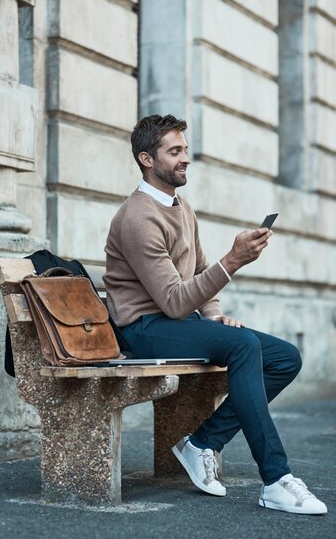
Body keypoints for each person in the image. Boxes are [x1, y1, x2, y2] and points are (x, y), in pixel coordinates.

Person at [104, 114, 327, 515]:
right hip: (143, 328)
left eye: (185, 149)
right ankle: (277, 479)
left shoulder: (180, 206)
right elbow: (173, 300)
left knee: (284, 358)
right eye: (174, 151)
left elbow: (199, 270)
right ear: (146, 159)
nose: (185, 158)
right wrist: (235, 260)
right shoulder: (138, 218)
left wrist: (214, 314)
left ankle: (202, 443)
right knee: (243, 346)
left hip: (178, 322)